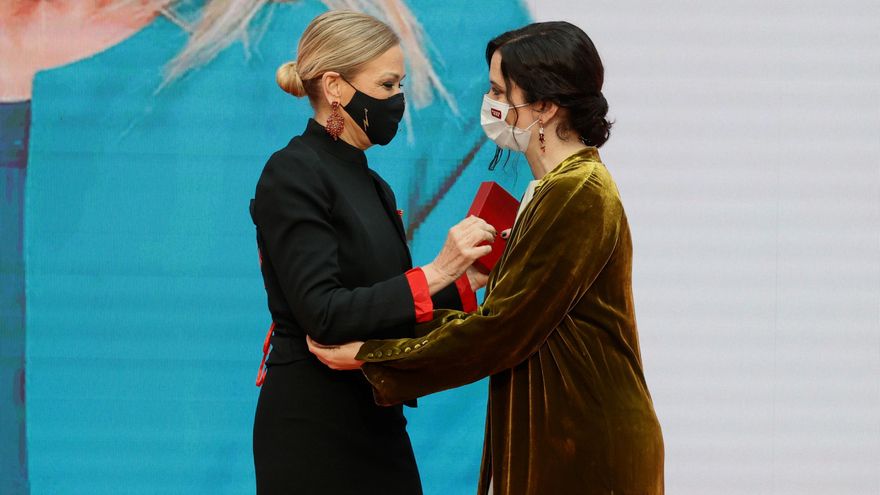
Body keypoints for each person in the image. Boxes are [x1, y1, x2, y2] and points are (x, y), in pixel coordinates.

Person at [308, 21, 665, 495]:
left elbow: (500, 330)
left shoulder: (577, 192)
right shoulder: (548, 190)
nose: (490, 102)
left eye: (499, 90)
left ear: (543, 105)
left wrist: (374, 356)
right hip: (560, 432)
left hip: (585, 442)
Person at [250, 10, 497, 495]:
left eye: (400, 84)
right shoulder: (293, 172)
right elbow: (324, 314)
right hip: (313, 430)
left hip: (378, 420)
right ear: (336, 86)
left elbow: (389, 312)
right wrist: (438, 269)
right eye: (387, 86)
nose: (399, 101)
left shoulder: (373, 185)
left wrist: (465, 281)